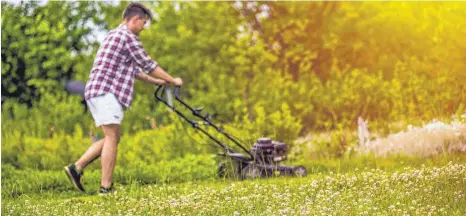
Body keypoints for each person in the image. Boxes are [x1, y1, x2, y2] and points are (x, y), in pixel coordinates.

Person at [64, 2, 183, 194]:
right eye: (144, 23)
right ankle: (106, 187)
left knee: (113, 136)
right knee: (112, 136)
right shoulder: (127, 36)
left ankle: (76, 168)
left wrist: (157, 82)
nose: (144, 28)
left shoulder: (115, 35)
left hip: (97, 91)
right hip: (105, 92)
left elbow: (136, 69)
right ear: (136, 19)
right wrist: (172, 79)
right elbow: (148, 63)